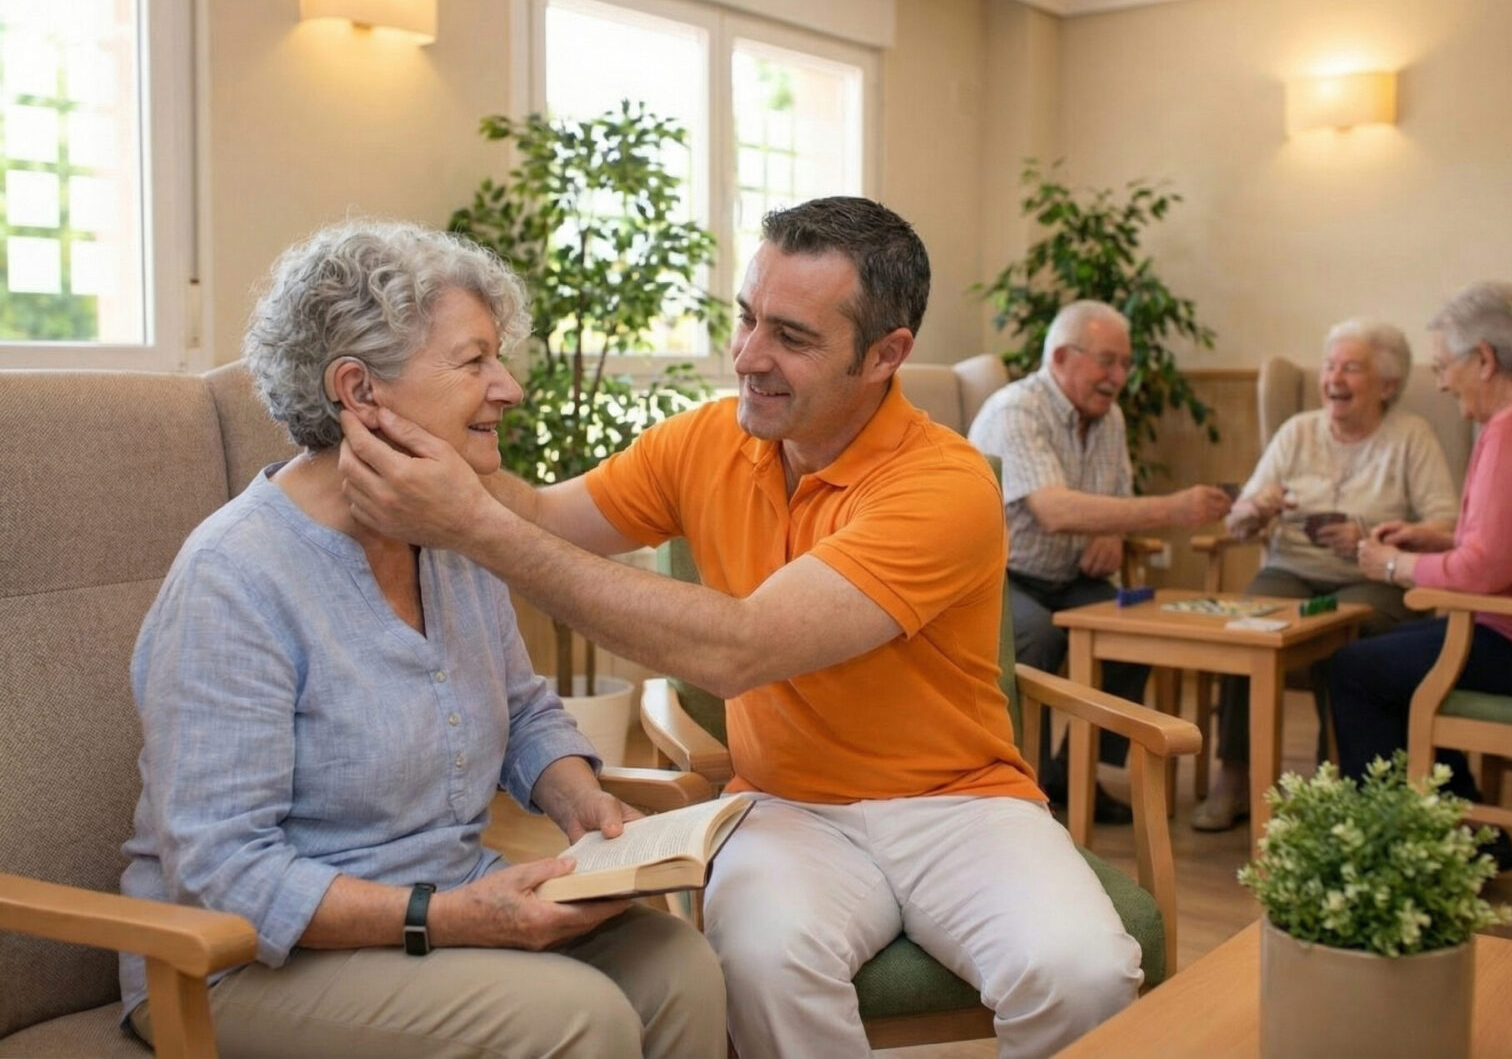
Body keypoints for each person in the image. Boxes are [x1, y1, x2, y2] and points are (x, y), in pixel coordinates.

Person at [338, 198, 1144, 1059]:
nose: (749, 358)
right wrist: (419, 445)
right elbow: (542, 518)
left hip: (962, 806)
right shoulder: (703, 442)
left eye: (792, 338)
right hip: (784, 806)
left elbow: (742, 647)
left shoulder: (942, 485)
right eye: (746, 319)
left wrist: (473, 525)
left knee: (1084, 973)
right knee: (759, 963)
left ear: (885, 356)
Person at [118, 220, 725, 1058]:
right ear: (360, 391)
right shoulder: (236, 577)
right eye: (474, 361)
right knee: (577, 1017)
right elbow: (225, 873)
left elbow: (523, 710)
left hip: (436, 904)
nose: (509, 387)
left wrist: (579, 799)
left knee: (681, 967)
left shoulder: (446, 534)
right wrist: (452, 918)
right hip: (242, 961)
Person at [1333, 281, 1512, 870]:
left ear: (1484, 359)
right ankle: (1472, 836)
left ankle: (1387, 859)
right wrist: (1438, 539)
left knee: (1356, 670)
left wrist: (1394, 565)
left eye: (1443, 366)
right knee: (1387, 653)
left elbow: (1483, 572)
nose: (1443, 382)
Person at [967, 300, 1234, 821]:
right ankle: (1023, 787)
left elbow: (1115, 497)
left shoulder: (1108, 418)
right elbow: (1054, 510)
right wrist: (1174, 508)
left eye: (1125, 365)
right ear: (1063, 357)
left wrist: (1114, 528)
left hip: (1070, 576)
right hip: (998, 577)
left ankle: (1075, 773)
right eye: (1108, 362)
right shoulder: (1016, 411)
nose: (1119, 377)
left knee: (1135, 627)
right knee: (1036, 634)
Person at [1191, 319, 1458, 830]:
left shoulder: (1410, 437)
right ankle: (1235, 774)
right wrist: (1256, 509)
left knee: (1347, 642)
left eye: (1351, 368)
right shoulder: (1297, 432)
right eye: (1330, 365)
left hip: (1372, 575)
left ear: (1387, 385)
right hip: (1291, 567)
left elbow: (1445, 524)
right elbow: (1239, 518)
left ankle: (1333, 779)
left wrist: (1370, 533)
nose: (1334, 377)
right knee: (1244, 627)